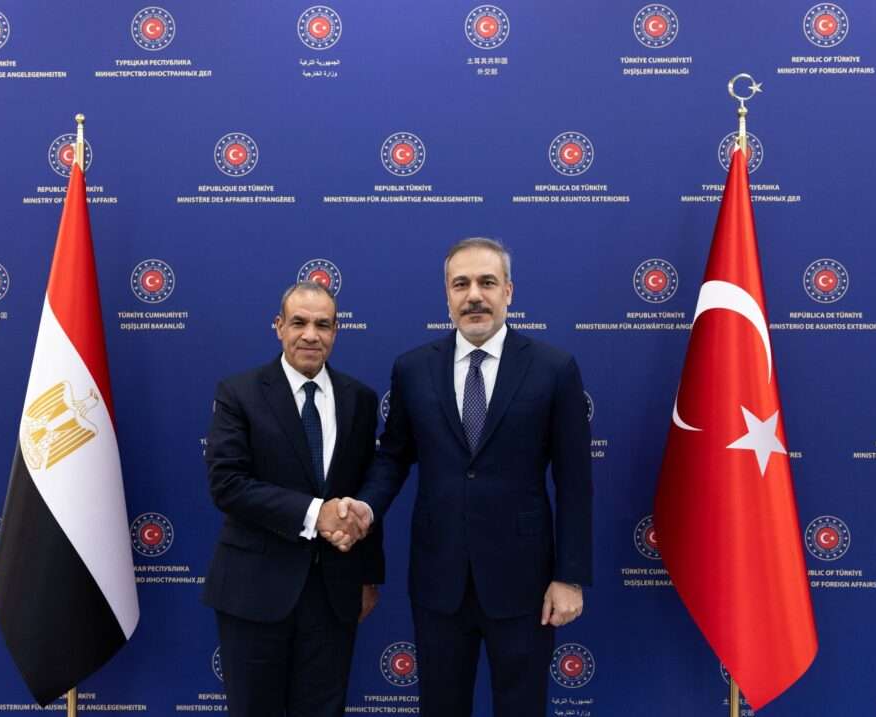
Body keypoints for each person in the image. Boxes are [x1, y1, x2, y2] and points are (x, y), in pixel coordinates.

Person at [328, 237, 593, 716]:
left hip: (525, 584)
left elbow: (575, 481)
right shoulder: (412, 369)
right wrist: (365, 508)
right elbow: (393, 457)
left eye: (487, 282)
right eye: (461, 284)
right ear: (447, 296)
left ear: (509, 291)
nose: (474, 295)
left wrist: (569, 577)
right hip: (438, 579)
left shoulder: (553, 369)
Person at [202, 281, 382, 717]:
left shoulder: (360, 399)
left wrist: (368, 577)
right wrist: (314, 514)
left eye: (323, 325)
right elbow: (227, 484)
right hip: (254, 591)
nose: (310, 334)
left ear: (336, 332)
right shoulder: (239, 393)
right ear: (278, 326)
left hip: (334, 594)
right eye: (298, 322)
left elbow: (366, 491)